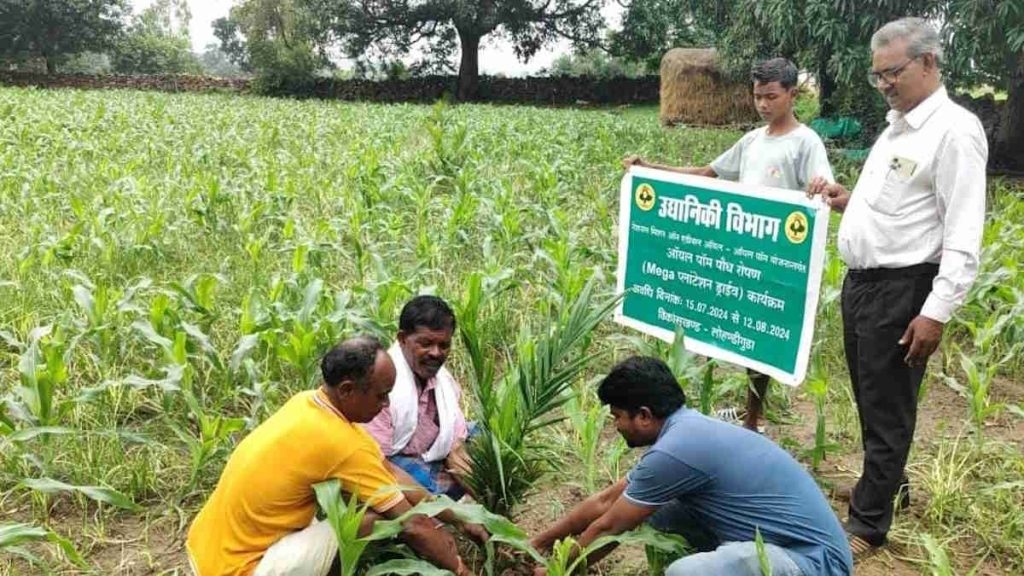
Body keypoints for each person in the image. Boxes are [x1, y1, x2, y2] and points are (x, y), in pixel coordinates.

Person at [807, 17, 987, 558]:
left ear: (929, 63)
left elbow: (962, 233)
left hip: (904, 289)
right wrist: (846, 201)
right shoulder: (899, 126)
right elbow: (899, 206)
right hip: (864, 285)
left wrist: (934, 312)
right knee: (869, 394)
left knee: (889, 406)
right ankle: (885, 484)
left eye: (893, 72)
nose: (884, 83)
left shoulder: (954, 130)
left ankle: (867, 526)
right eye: (876, 75)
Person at [624, 57, 835, 432]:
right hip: (735, 256)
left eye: (771, 96)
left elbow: (823, 193)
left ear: (792, 94)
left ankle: (753, 418)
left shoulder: (806, 142)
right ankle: (701, 411)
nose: (764, 104)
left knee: (760, 342)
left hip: (773, 259)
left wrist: (822, 191)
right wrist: (649, 169)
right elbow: (707, 174)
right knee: (713, 326)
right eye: (758, 97)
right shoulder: (752, 141)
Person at [530, 356, 852, 576]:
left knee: (683, 573)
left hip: (817, 565)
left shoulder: (675, 450)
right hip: (792, 549)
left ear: (643, 415)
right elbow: (606, 502)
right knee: (656, 514)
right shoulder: (686, 431)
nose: (615, 426)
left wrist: (558, 570)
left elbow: (608, 526)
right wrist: (538, 544)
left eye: (617, 417)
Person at [186, 336, 481, 576]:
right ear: (348, 390)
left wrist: (461, 518)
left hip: (205, 548)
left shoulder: (307, 402)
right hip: (241, 568)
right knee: (374, 518)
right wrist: (459, 568)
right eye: (381, 395)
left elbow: (389, 472)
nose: (387, 404)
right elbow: (411, 523)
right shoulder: (341, 444)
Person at [363, 295, 474, 499]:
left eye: (444, 345)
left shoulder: (442, 380)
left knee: (489, 441)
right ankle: (442, 502)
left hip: (436, 452)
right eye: (426, 343)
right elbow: (376, 461)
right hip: (398, 458)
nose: (436, 353)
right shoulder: (383, 387)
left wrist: (457, 451)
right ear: (402, 339)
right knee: (414, 484)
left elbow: (456, 438)